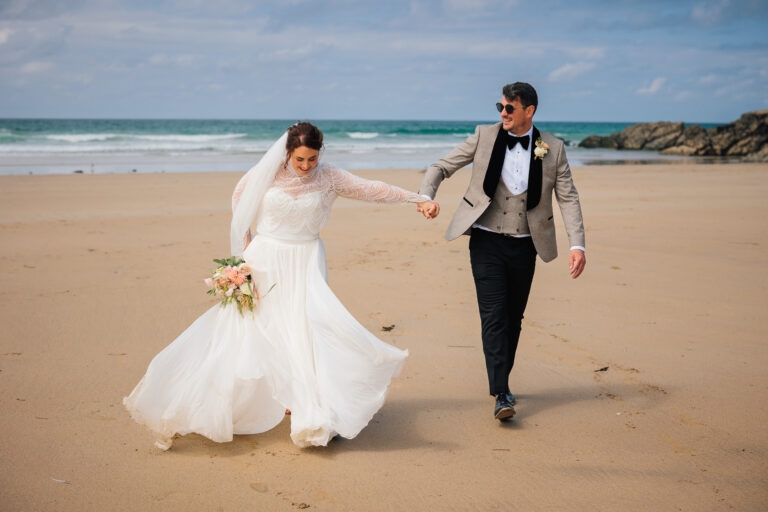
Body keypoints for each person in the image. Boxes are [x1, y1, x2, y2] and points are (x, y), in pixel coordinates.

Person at [124, 122, 437, 449]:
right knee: (249, 329)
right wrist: (242, 260)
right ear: (287, 152)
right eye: (300, 159)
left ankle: (305, 403)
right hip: (265, 259)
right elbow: (240, 208)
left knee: (307, 325)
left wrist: (417, 199)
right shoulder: (265, 173)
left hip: (306, 260)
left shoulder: (329, 176)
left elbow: (373, 189)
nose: (305, 166)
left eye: (312, 159)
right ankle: (198, 405)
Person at [417, 82, 585, 421]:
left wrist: (577, 243)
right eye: (500, 107)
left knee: (513, 318)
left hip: (527, 244)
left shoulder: (552, 147)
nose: (503, 113)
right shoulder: (483, 136)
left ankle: (500, 380)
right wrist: (426, 196)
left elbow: (568, 197)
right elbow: (440, 167)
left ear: (529, 111)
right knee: (493, 315)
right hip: (486, 240)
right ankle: (502, 391)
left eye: (510, 108)